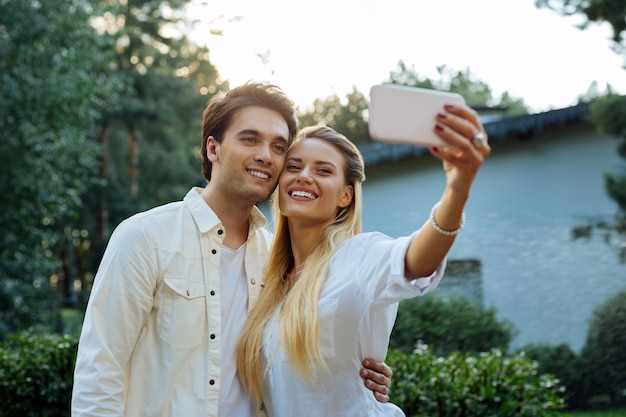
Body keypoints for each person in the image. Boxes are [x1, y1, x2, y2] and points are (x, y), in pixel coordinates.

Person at [71, 82, 391, 417]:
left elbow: (300, 358)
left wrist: (358, 375)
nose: (265, 155)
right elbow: (99, 372)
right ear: (213, 148)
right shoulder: (145, 238)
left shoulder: (279, 263)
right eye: (250, 139)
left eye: (278, 146)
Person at [235, 103, 491, 416]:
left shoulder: (360, 256)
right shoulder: (265, 280)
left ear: (346, 196)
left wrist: (457, 188)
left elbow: (415, 260)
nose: (304, 176)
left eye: (323, 170)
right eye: (294, 166)